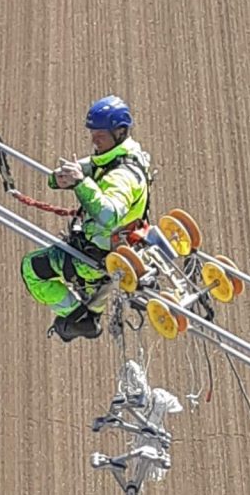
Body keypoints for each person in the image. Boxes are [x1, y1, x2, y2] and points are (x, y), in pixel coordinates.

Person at [21, 95, 152, 342]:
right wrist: (59, 178)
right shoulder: (127, 155)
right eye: (93, 134)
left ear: (119, 132)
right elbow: (92, 165)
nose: (94, 140)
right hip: (119, 249)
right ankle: (90, 309)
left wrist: (81, 183)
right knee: (91, 284)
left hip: (96, 256)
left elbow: (110, 215)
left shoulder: (120, 177)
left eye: (99, 136)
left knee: (31, 268)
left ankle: (79, 317)